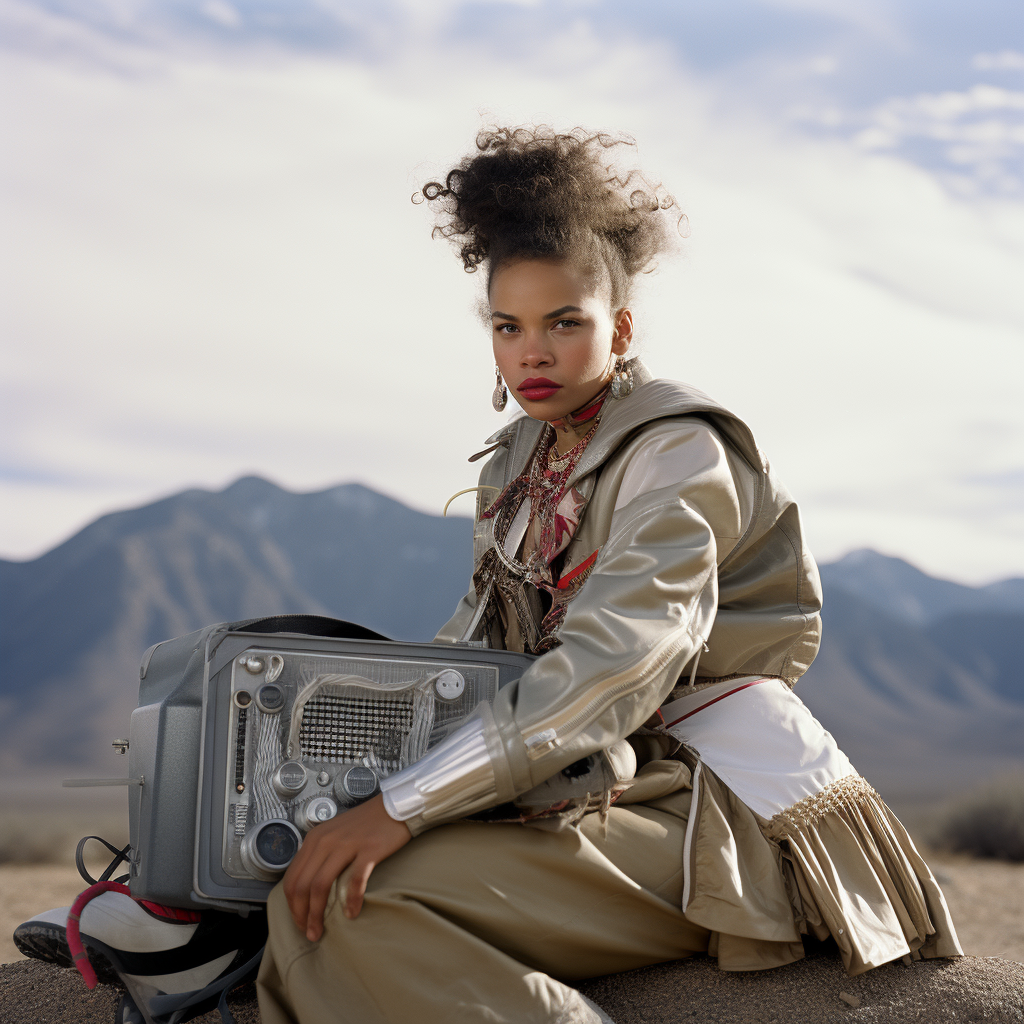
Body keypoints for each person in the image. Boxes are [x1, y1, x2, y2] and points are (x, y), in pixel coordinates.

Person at [255, 126, 961, 1024]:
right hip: (586, 779)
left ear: (619, 327)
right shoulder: (518, 462)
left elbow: (615, 660)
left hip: (717, 803)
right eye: (508, 327)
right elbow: (469, 652)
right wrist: (338, 767)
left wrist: (404, 802)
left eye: (563, 323)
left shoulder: (680, 450)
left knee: (360, 900)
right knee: (298, 885)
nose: (531, 354)